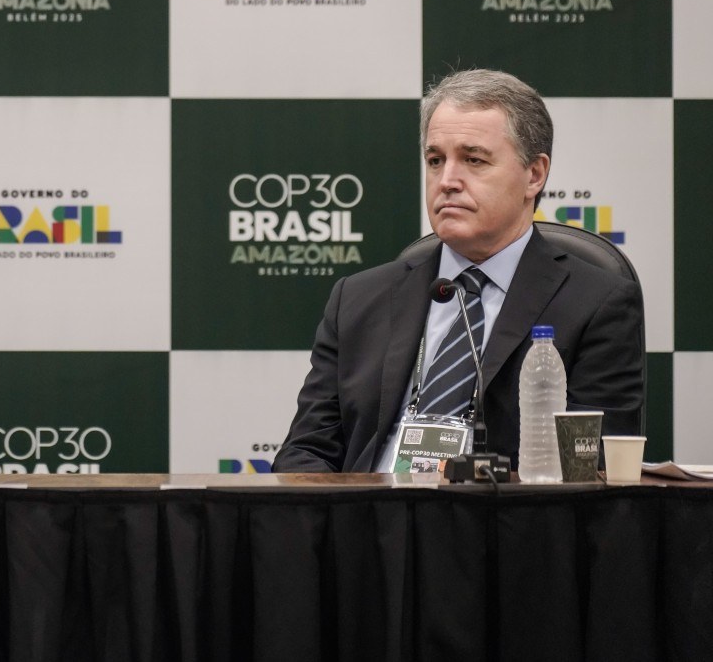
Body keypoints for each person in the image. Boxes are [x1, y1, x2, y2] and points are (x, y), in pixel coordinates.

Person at [273, 69, 644, 473]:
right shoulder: (358, 299)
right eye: (435, 160)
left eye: (473, 160)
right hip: (367, 508)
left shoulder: (596, 304)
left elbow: (592, 469)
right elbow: (305, 452)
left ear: (534, 175)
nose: (447, 180)